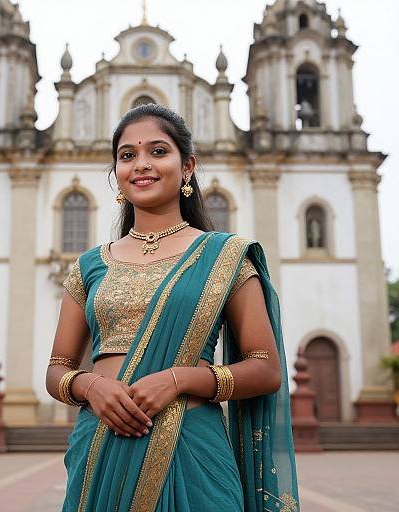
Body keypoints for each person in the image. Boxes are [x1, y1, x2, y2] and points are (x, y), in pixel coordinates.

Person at [46, 104, 299, 511]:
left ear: (187, 167)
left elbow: (266, 369)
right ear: (117, 174)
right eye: (127, 155)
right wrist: (91, 386)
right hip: (100, 446)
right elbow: (58, 366)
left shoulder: (225, 256)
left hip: (192, 446)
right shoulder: (90, 265)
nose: (141, 164)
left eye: (158, 151)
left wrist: (178, 380)